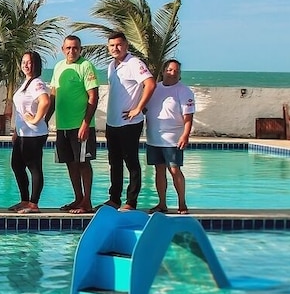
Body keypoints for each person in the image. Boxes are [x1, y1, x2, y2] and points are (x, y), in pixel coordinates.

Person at [104, 31, 155, 211]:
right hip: (112, 122)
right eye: (112, 45)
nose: (115, 48)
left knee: (131, 162)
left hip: (129, 123)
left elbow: (150, 83)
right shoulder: (111, 66)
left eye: (119, 45)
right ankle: (114, 199)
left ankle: (131, 201)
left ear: (126, 45)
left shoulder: (134, 63)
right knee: (114, 162)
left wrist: (138, 108)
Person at [50, 35, 99, 214]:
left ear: (80, 49)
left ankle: (87, 201)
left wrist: (85, 124)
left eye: (75, 48)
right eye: (68, 48)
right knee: (70, 163)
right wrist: (44, 120)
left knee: (83, 163)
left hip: (81, 126)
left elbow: (93, 97)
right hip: (63, 126)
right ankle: (78, 198)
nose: (72, 51)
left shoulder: (86, 66)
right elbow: (53, 95)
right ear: (63, 49)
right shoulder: (58, 67)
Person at [145, 59, 195, 214]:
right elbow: (144, 108)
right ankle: (162, 204)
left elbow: (188, 117)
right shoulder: (154, 88)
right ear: (163, 71)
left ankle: (182, 203)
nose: (173, 73)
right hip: (154, 138)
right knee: (159, 170)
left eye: (176, 71)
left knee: (174, 169)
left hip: (173, 139)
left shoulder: (184, 91)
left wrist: (185, 135)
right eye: (170, 70)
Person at [9, 51, 51, 213]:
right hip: (23, 134)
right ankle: (25, 200)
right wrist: (16, 131)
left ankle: (33, 204)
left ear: (36, 65)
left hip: (34, 134)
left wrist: (35, 120)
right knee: (17, 165)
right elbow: (21, 110)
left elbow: (45, 101)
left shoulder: (36, 83)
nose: (26, 65)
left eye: (30, 62)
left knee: (34, 167)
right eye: (24, 62)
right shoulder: (26, 82)